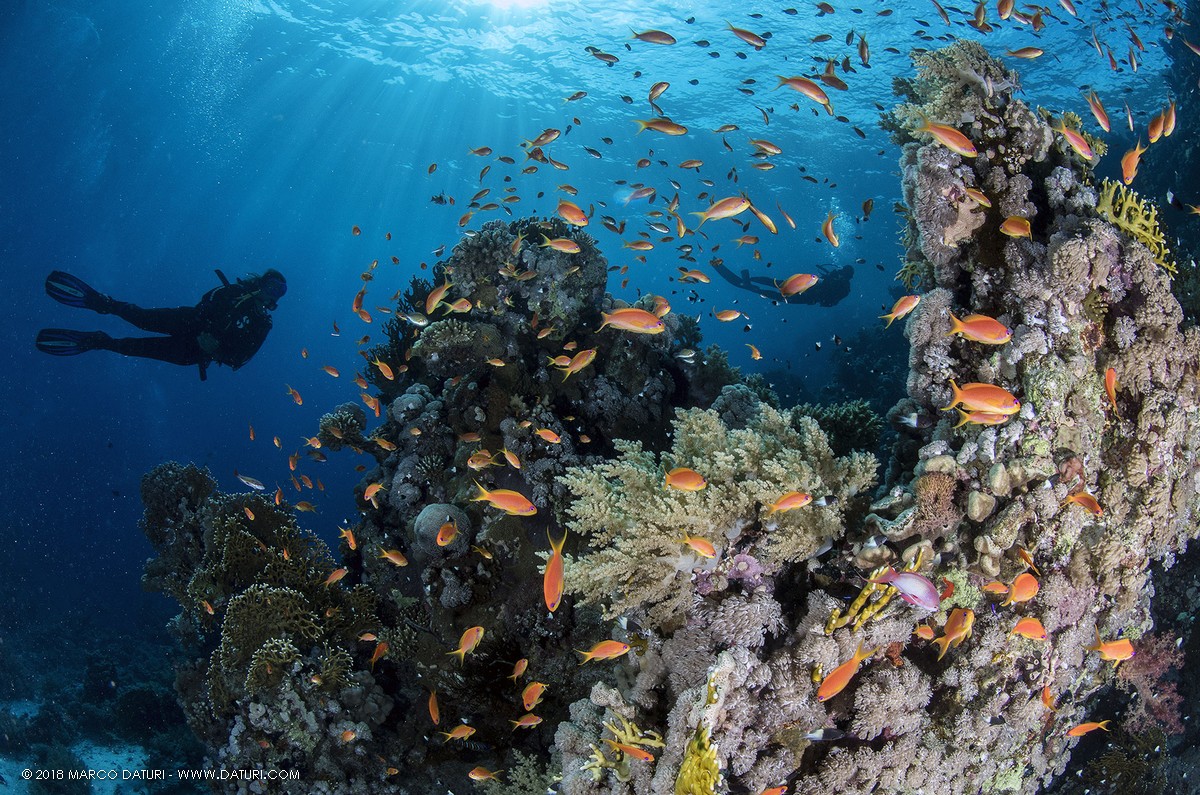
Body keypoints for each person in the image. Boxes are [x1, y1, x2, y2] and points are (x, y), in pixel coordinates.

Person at [36, 268, 286, 381]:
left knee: (136, 348)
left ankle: (100, 341)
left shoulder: (263, 324)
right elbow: (207, 299)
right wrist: (206, 318)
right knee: (142, 318)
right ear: (261, 282)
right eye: (270, 285)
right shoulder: (235, 290)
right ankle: (103, 303)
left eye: (278, 292)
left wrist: (214, 350)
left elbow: (240, 359)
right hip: (189, 321)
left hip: (194, 352)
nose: (271, 293)